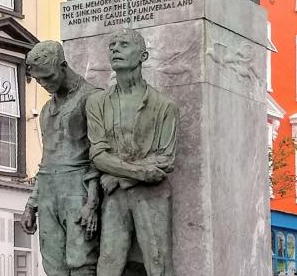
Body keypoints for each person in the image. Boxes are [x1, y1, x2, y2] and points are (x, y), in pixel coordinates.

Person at [86, 29, 180, 276]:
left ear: (143, 56)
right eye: (112, 45)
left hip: (152, 197)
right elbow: (98, 154)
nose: (115, 49)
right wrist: (137, 171)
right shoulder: (96, 103)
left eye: (124, 44)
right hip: (115, 199)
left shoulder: (164, 105)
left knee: (158, 265)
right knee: (108, 264)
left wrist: (119, 177)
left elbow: (165, 159)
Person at [20, 41, 100, 276]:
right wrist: (31, 204)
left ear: (63, 66)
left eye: (48, 77)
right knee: (52, 266)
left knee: (81, 262)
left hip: (78, 188)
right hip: (48, 192)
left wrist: (92, 203)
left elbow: (98, 153)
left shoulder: (92, 98)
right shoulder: (46, 110)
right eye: (39, 80)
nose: (44, 85)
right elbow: (46, 161)